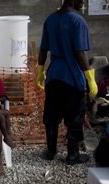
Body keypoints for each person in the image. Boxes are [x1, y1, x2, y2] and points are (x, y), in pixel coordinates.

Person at [37, 0, 98, 165]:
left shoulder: (50, 19)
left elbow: (43, 49)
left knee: (51, 116)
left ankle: (50, 151)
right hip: (72, 77)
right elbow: (79, 52)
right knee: (75, 118)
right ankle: (72, 155)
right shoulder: (77, 21)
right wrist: (90, 78)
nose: (83, 2)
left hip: (54, 75)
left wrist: (40, 71)